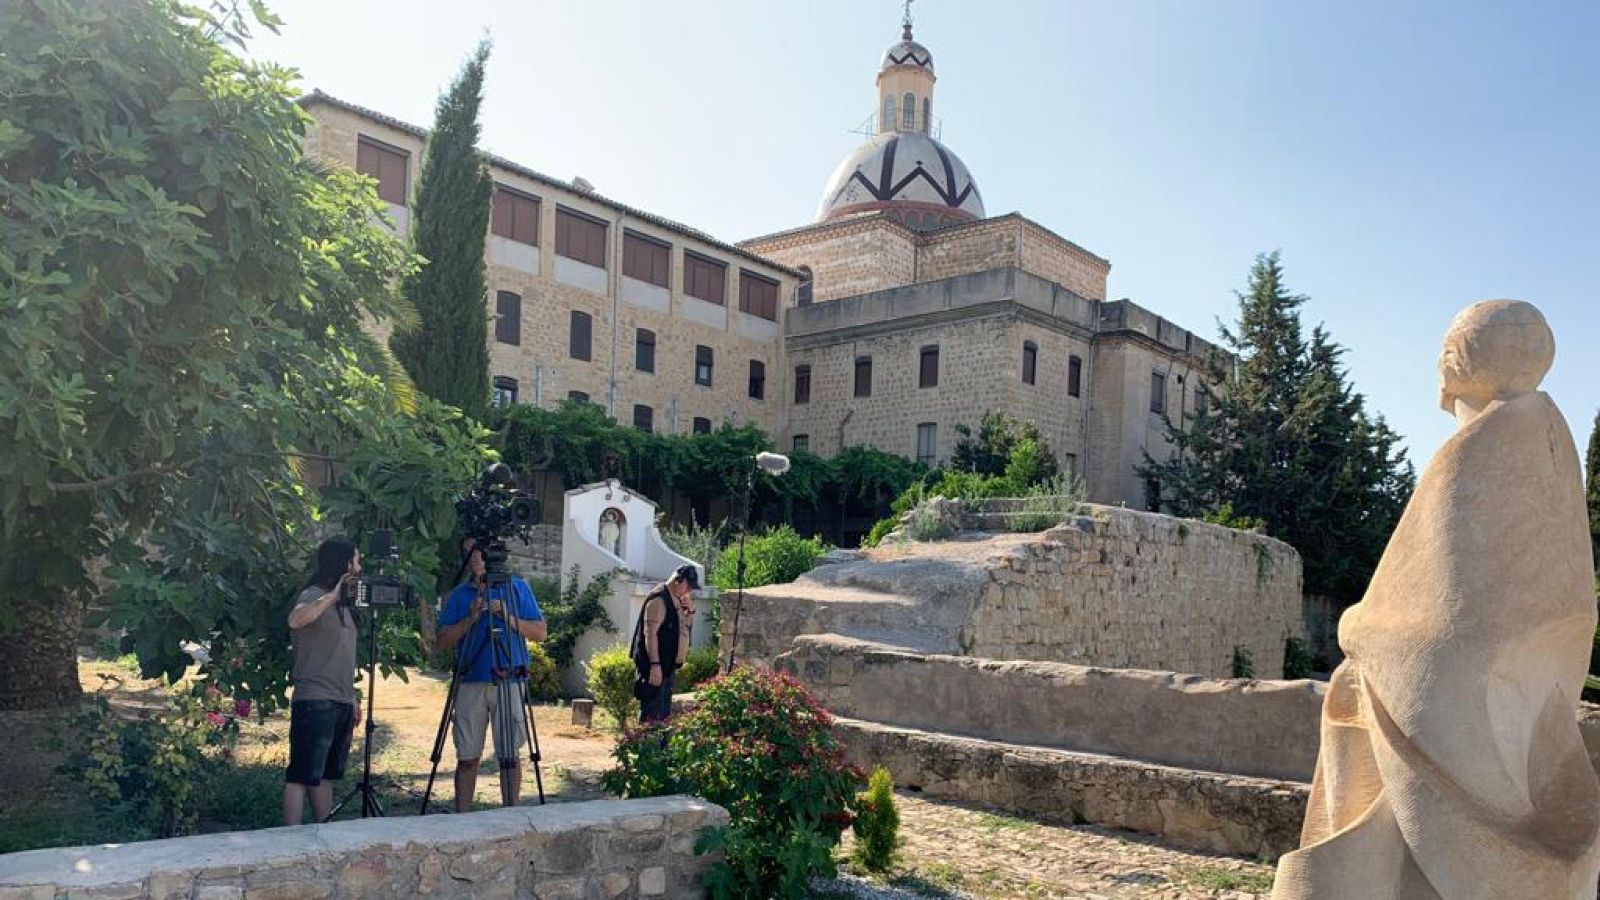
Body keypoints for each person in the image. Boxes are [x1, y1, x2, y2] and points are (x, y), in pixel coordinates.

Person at [434, 541, 546, 811]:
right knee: (467, 756)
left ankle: (511, 815)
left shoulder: (516, 588)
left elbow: (540, 633)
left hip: (509, 679)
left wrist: (508, 617)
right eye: (469, 554)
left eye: (479, 553)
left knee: (509, 756)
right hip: (471, 680)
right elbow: (441, 641)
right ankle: (462, 819)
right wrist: (471, 618)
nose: (474, 558)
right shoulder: (460, 595)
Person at [282, 538, 361, 826]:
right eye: (356, 560)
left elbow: (340, 654)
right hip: (315, 699)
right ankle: (290, 838)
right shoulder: (314, 594)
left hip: (340, 699)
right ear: (343, 564)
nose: (359, 567)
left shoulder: (344, 605)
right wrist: (332, 596)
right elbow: (296, 620)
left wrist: (351, 696)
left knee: (326, 775)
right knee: (302, 775)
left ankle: (323, 834)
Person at [631, 564, 698, 723]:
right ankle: (645, 746)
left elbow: (684, 628)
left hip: (667, 666)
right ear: (679, 581)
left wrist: (690, 612)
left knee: (663, 716)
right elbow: (650, 633)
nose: (689, 592)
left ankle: (658, 747)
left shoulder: (676, 599)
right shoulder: (659, 599)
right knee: (652, 715)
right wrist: (655, 664)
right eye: (688, 587)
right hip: (656, 667)